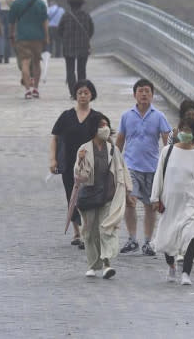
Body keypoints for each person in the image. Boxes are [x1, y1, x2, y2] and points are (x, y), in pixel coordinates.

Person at [151, 118, 194, 286]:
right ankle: (171, 266)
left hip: (191, 203)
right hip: (170, 202)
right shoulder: (167, 151)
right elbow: (159, 176)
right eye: (182, 129)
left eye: (189, 130)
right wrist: (155, 198)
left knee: (190, 235)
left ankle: (186, 273)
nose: (185, 133)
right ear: (177, 131)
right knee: (167, 238)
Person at [116, 79, 172, 256]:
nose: (144, 94)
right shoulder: (126, 116)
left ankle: (148, 241)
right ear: (134, 94)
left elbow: (167, 141)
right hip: (131, 166)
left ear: (152, 95)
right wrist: (114, 163)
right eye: (140, 91)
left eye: (147, 91)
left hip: (153, 168)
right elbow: (120, 141)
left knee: (150, 206)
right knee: (129, 202)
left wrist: (169, 164)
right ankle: (132, 239)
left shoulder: (159, 116)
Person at [74, 114, 131, 279]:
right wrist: (80, 161)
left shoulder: (113, 149)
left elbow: (122, 170)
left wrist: (128, 191)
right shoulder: (84, 149)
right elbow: (80, 176)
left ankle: (107, 264)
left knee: (106, 228)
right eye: (101, 125)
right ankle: (93, 265)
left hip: (109, 196)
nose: (104, 128)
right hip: (90, 196)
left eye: (107, 124)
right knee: (90, 232)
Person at [51, 80, 103, 247]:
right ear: (75, 95)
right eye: (80, 92)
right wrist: (53, 159)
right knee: (72, 197)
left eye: (86, 93)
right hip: (69, 164)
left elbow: (105, 138)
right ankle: (76, 232)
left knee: (87, 197)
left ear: (91, 95)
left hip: (90, 165)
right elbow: (55, 137)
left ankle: (87, 230)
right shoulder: (66, 116)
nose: (82, 95)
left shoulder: (97, 117)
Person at [9, 0, 49, 99]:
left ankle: (27, 90)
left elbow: (12, 22)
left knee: (25, 63)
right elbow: (45, 22)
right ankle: (35, 89)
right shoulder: (40, 3)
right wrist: (46, 37)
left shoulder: (16, 3)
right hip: (38, 37)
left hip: (22, 37)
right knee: (37, 63)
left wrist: (11, 35)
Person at [58, 0, 94, 99]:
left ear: (69, 4)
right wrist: (85, 40)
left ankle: (73, 93)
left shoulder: (66, 16)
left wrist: (65, 39)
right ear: (82, 4)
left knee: (70, 70)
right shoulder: (86, 16)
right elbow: (91, 30)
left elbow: (60, 30)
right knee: (82, 70)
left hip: (68, 47)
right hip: (83, 47)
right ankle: (81, 91)